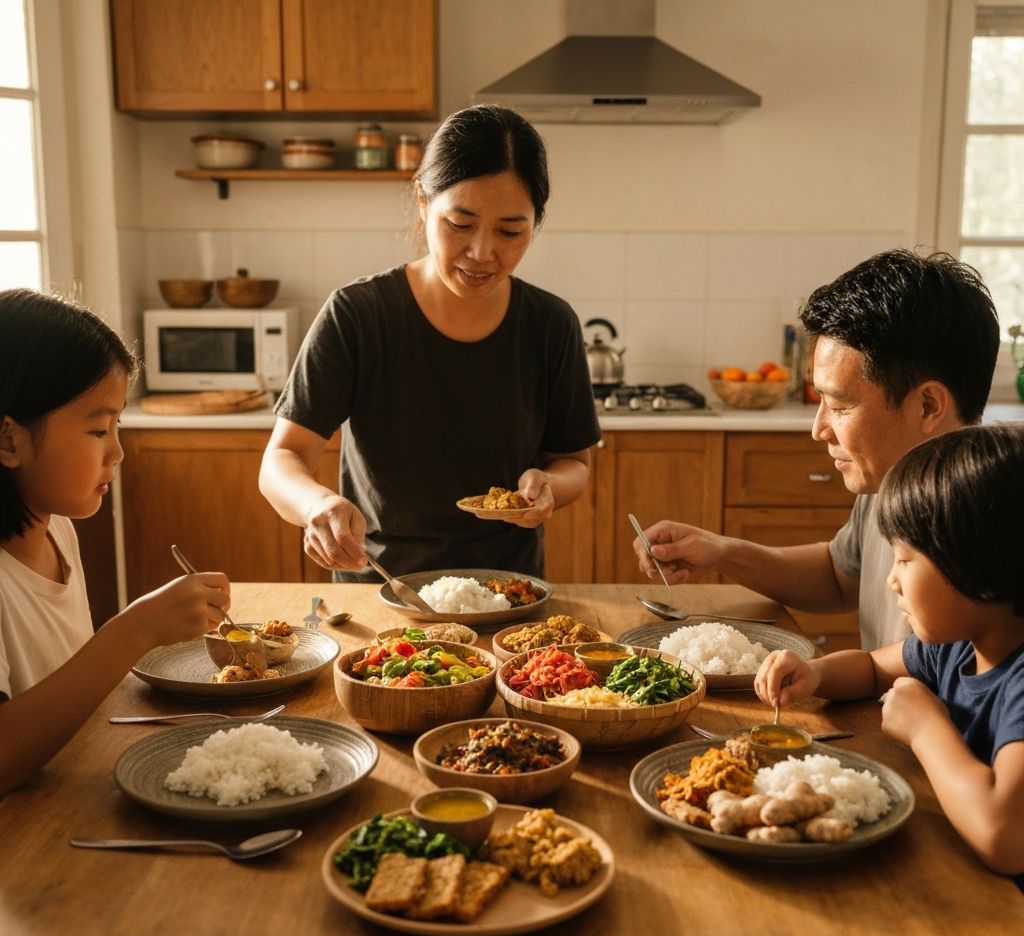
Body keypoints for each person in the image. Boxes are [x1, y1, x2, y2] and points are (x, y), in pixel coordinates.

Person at [753, 423, 1024, 936]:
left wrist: (927, 728)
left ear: (978, 567)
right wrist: (818, 673)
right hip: (953, 883)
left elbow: (1005, 836)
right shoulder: (962, 641)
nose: (890, 580)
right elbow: (876, 667)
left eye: (905, 559)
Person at [259, 104, 601, 581]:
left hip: (507, 591)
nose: (482, 252)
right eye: (460, 224)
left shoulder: (550, 323)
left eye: (510, 231)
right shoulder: (358, 315)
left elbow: (574, 462)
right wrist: (316, 503)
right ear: (423, 202)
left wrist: (549, 487)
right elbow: (284, 456)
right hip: (381, 585)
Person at [633, 249, 1001, 649]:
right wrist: (721, 552)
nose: (819, 429)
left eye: (840, 406)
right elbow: (837, 576)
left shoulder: (992, 530)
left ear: (928, 405)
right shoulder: (888, 477)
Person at [0, 288, 230, 797]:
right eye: (98, 429)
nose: (118, 452)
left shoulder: (57, 529)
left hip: (70, 799)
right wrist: (131, 632)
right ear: (9, 440)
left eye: (117, 425)